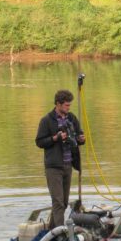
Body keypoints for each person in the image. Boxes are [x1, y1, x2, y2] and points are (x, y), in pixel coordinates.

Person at [36, 90, 85, 229]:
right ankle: (61, 234)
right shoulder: (46, 121)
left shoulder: (72, 118)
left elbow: (78, 136)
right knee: (58, 202)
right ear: (58, 104)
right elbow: (39, 142)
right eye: (66, 105)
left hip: (68, 165)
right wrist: (55, 138)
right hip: (53, 167)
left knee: (63, 202)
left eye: (69, 105)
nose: (68, 108)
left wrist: (81, 139)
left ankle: (52, 230)